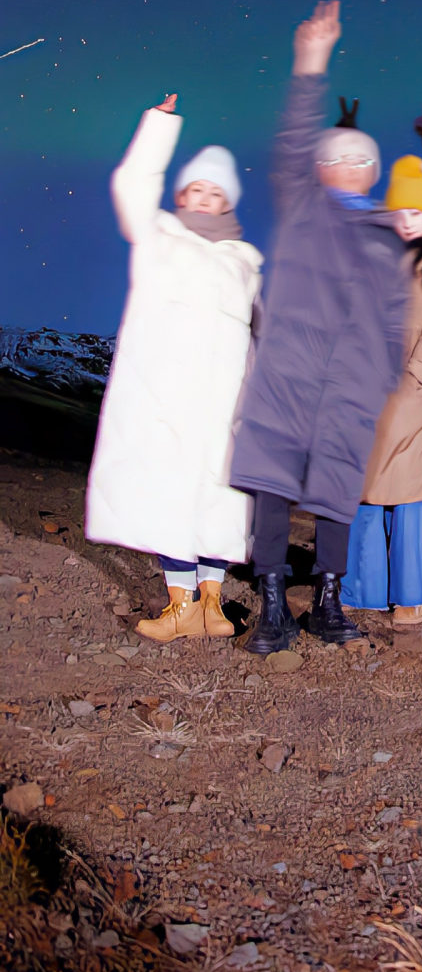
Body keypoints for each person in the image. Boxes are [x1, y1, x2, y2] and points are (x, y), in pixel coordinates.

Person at [230, 2, 412, 655]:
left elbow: (397, 312)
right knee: (274, 486)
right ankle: (273, 604)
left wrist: (382, 372)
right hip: (291, 369)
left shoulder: (389, 233)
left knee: (337, 492)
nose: (348, 167)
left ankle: (328, 602)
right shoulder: (301, 203)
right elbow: (290, 138)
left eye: (360, 161)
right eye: (336, 157)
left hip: (352, 380)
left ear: (371, 169)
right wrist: (311, 62)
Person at [86, 95, 262, 644]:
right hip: (165, 393)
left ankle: (212, 602)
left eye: (216, 192)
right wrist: (158, 127)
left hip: (224, 400)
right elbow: (131, 185)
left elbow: (258, 332)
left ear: (228, 200)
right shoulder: (158, 235)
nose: (205, 200)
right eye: (196, 190)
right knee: (166, 487)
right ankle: (179, 602)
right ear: (182, 193)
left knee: (220, 495)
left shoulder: (245, 260)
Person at [342, 147, 422, 630]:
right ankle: (363, 586)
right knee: (368, 494)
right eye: (401, 211)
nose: (408, 221)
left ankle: (412, 593)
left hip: (417, 396)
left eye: (418, 211)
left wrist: (412, 375)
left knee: (413, 493)